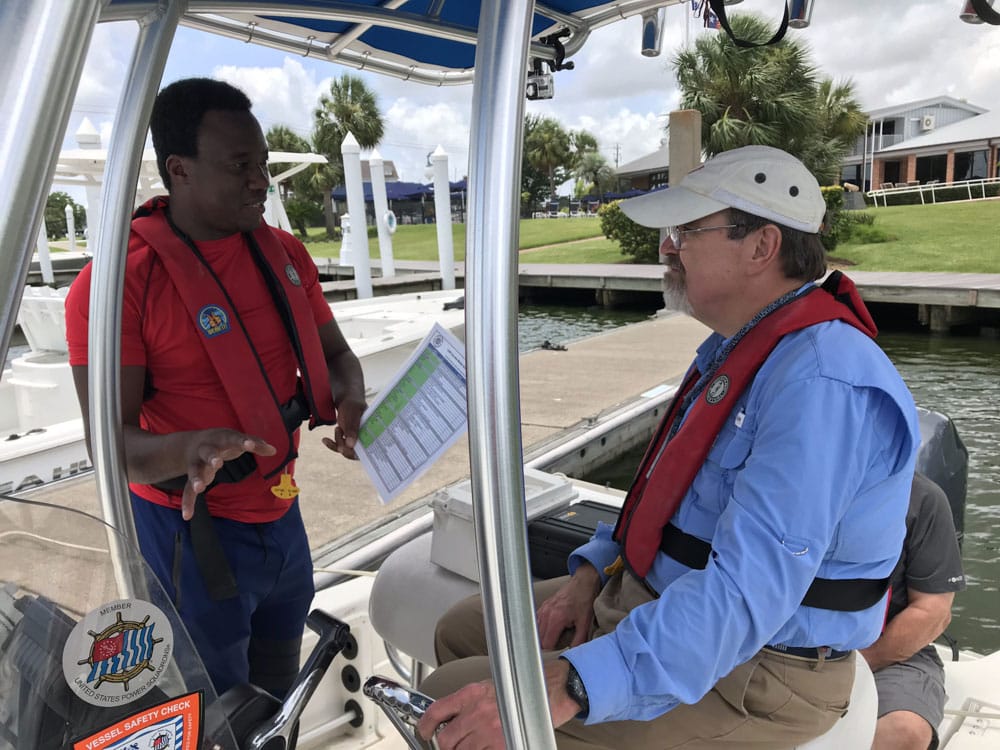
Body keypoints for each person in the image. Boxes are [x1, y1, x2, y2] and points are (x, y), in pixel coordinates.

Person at [416, 145, 921, 749]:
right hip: (656, 592)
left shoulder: (820, 383)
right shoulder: (736, 350)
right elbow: (664, 503)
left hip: (762, 669)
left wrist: (571, 684)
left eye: (686, 230)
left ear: (761, 247)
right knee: (461, 631)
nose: (667, 247)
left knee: (447, 702)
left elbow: (743, 596)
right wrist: (589, 576)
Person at [65, 78, 367, 700]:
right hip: (190, 537)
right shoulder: (117, 286)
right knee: (211, 711)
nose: (261, 180)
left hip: (283, 518)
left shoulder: (284, 252)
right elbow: (110, 445)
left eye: (261, 164)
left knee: (276, 698)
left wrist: (352, 397)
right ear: (178, 169)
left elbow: (336, 356)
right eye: (239, 166)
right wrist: (188, 450)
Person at [863, 472, 965, 750]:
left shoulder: (924, 499)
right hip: (785, 646)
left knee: (904, 730)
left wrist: (860, 663)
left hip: (890, 655)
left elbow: (934, 611)